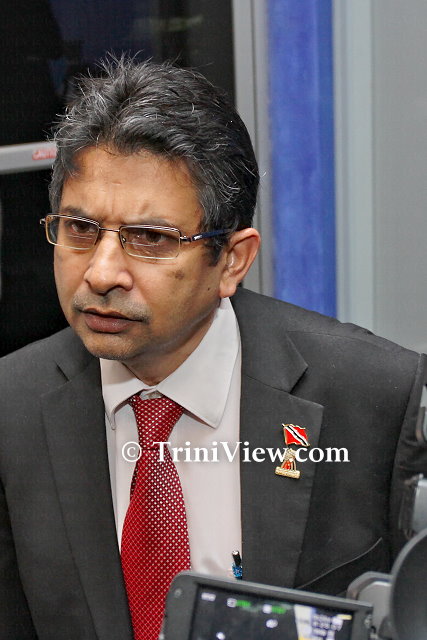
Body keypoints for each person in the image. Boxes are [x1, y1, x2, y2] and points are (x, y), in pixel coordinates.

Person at [0, 57, 426, 640]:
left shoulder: (376, 398)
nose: (100, 273)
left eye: (150, 238)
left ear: (232, 261)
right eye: (80, 229)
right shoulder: (12, 409)